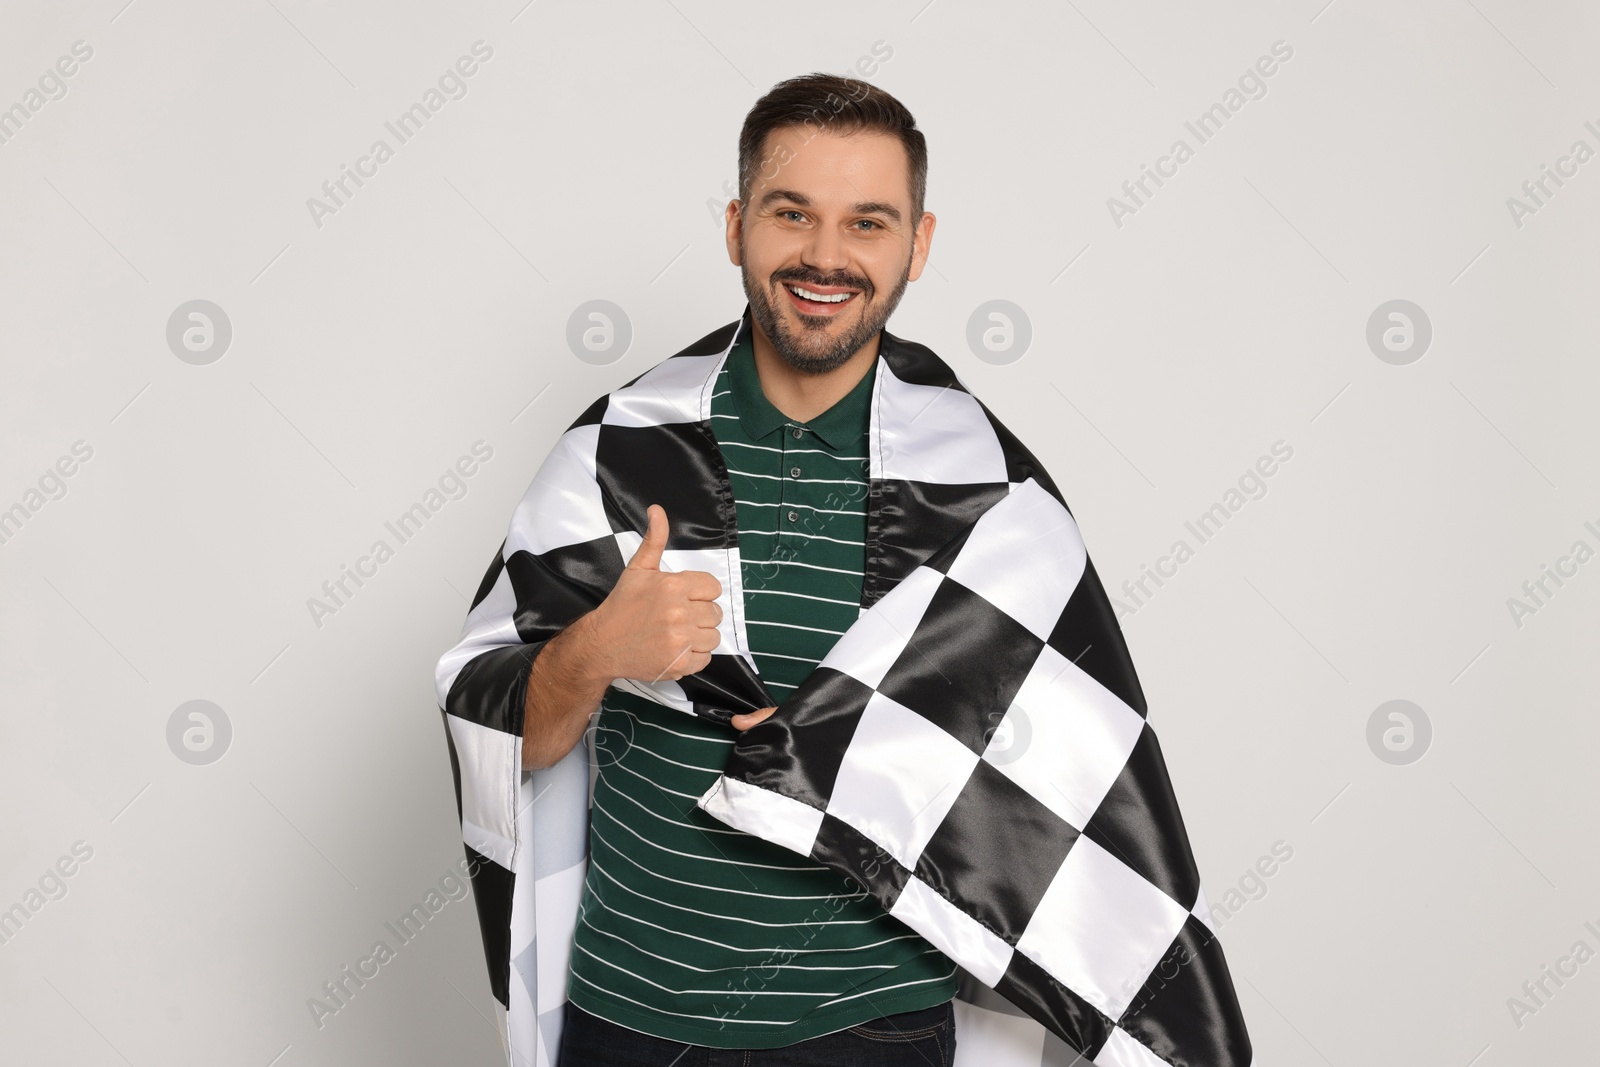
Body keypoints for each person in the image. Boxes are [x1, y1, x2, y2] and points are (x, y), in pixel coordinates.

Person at [515, 73, 956, 1065]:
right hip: (632, 1011)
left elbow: (1044, 776)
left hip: (875, 1024)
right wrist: (594, 651)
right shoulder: (617, 449)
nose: (825, 256)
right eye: (790, 213)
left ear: (918, 243)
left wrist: (831, 749)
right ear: (735, 226)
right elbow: (511, 741)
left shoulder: (980, 486)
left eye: (868, 223)